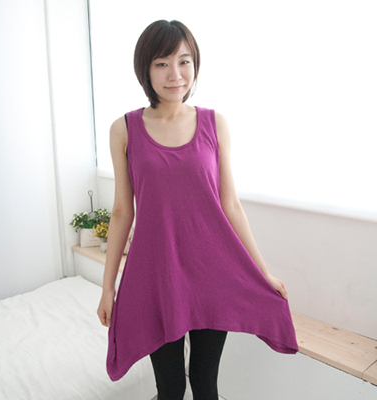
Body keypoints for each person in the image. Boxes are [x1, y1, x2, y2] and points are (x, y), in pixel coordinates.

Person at [97, 20, 298, 400]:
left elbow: (230, 204)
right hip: (156, 276)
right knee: (171, 388)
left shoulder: (214, 123)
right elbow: (123, 211)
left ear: (195, 65)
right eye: (162, 63)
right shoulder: (123, 129)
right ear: (145, 69)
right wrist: (108, 288)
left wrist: (263, 271)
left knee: (205, 385)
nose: (175, 74)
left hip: (212, 274)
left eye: (184, 61)